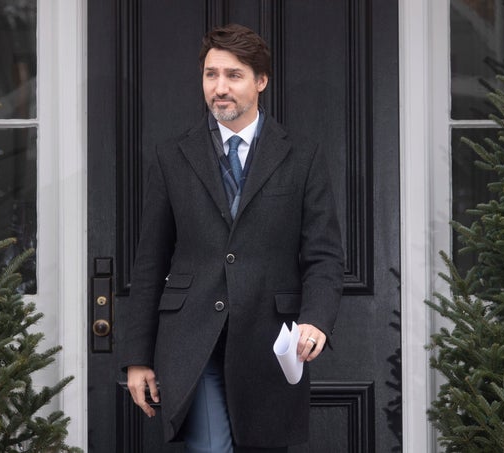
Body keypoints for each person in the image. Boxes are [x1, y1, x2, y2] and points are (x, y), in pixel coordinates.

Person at [119, 23, 344, 453]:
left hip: (270, 343)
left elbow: (325, 255)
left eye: (233, 75)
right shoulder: (172, 156)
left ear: (261, 81)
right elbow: (150, 262)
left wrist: (316, 319)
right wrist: (138, 358)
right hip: (192, 342)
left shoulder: (302, 155)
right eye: (211, 74)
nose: (219, 88)